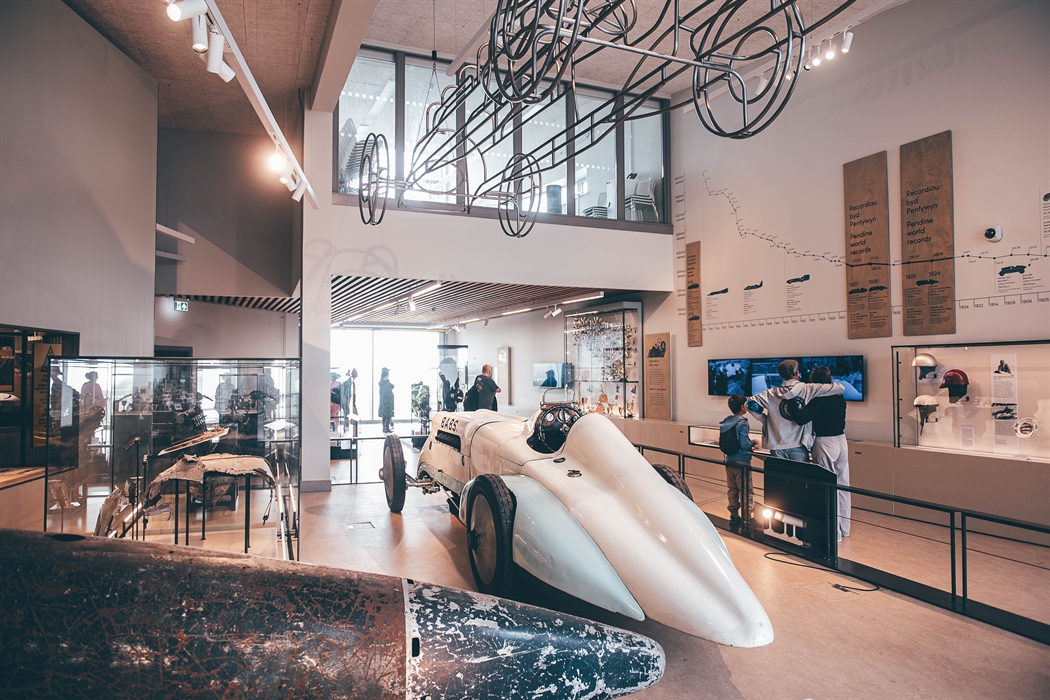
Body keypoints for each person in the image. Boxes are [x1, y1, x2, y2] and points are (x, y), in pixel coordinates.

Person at [747, 359, 844, 461]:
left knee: (779, 476)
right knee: (799, 476)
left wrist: (765, 419)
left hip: (777, 445)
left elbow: (749, 404)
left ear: (781, 375)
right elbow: (840, 388)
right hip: (798, 444)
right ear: (797, 372)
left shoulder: (770, 393)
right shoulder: (808, 388)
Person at [801, 366, 851, 541]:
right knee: (843, 485)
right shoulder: (839, 396)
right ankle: (845, 529)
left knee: (827, 488)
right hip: (842, 441)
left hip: (825, 442)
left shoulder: (819, 399)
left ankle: (833, 533)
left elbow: (801, 418)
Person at [720, 394, 757, 527]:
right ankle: (747, 518)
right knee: (746, 490)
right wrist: (754, 441)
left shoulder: (726, 421)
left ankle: (734, 516)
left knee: (732, 489)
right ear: (743, 407)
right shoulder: (742, 423)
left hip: (729, 460)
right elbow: (744, 444)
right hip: (742, 462)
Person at [378, 368, 395, 433]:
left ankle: (385, 427)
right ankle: (386, 427)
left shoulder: (385, 382)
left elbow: (392, 386)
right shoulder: (383, 383)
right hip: (386, 401)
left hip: (386, 401)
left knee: (385, 415)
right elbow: (386, 391)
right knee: (387, 415)